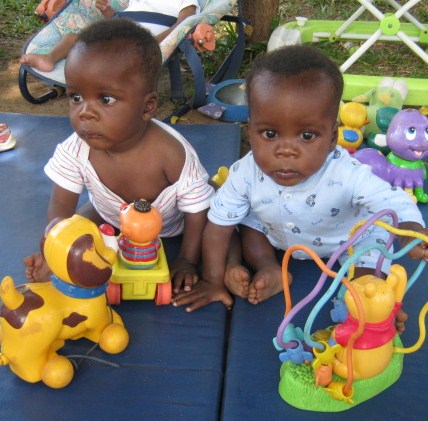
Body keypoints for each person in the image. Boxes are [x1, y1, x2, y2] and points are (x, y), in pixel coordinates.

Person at [172, 45, 428, 333]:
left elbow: (393, 201)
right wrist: (212, 280)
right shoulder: (245, 173)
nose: (286, 150)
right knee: (246, 224)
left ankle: (374, 306)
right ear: (250, 130)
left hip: (348, 239)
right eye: (269, 134)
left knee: (372, 258)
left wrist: (410, 231)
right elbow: (218, 227)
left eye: (307, 135)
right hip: (277, 236)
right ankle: (269, 268)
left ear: (332, 138)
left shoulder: (348, 174)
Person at [24, 18, 214, 293]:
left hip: (174, 228)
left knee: (217, 221)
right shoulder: (75, 148)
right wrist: (54, 250)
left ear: (147, 107)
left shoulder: (171, 154)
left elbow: (197, 211)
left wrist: (187, 260)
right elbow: (60, 207)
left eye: (106, 99)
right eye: (76, 97)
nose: (85, 112)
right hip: (111, 217)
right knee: (76, 223)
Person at [20, 0, 199, 72]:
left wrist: (153, 42)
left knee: (121, 53)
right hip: (121, 27)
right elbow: (121, 17)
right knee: (72, 37)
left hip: (146, 39)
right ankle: (50, 58)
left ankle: (94, 64)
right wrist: (107, 10)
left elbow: (183, 24)